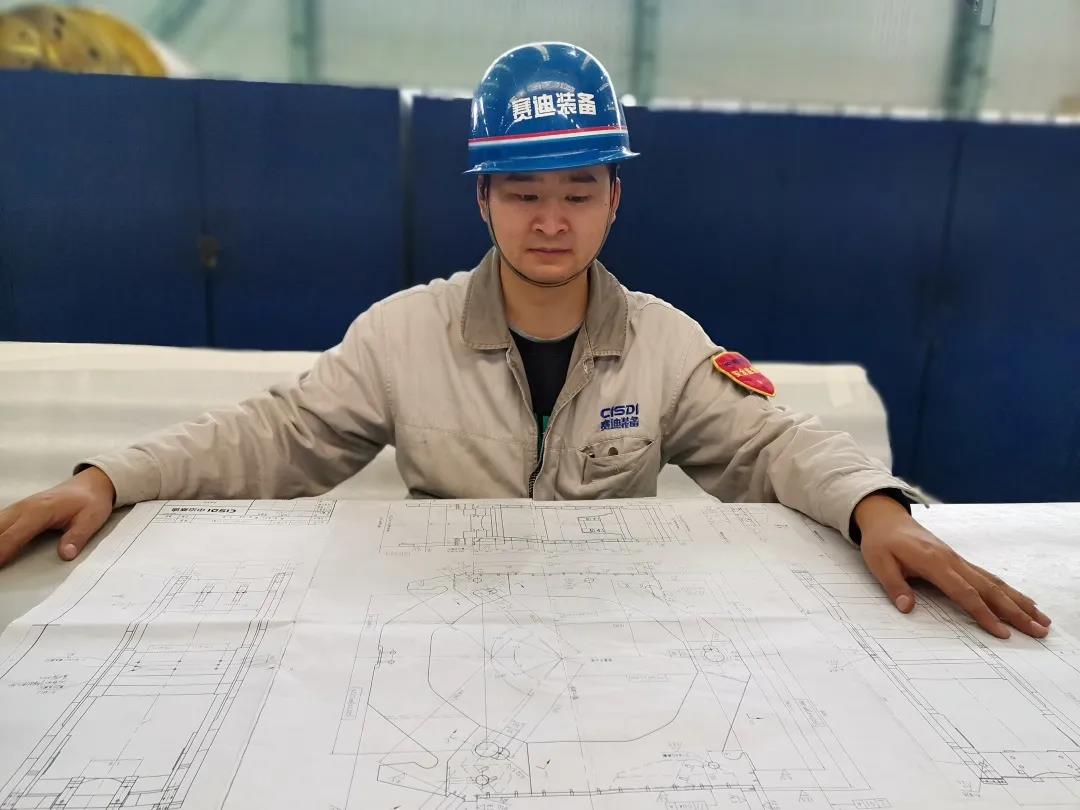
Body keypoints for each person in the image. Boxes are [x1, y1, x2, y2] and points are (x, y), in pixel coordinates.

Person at [0, 42, 1051, 641]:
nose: (551, 221)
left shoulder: (663, 344)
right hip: (436, 629)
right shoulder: (402, 335)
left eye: (578, 191)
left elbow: (774, 443)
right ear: (483, 199)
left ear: (615, 199)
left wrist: (876, 510)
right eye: (523, 192)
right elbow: (276, 436)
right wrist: (109, 479)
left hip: (615, 635)